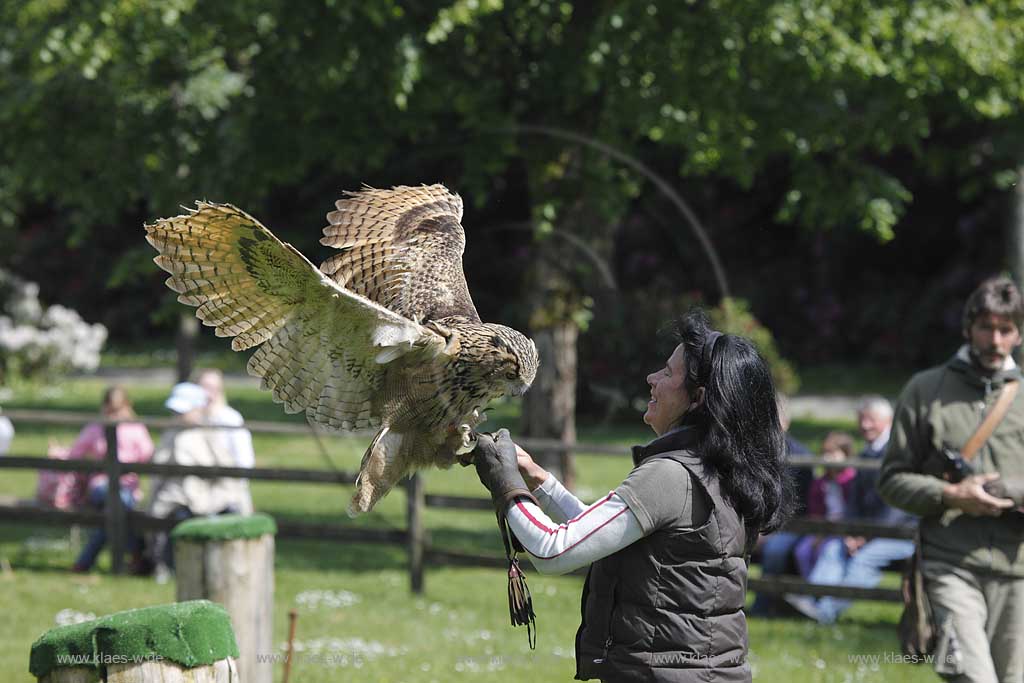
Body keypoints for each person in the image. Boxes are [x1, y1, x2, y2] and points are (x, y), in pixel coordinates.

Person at [474, 310, 794, 682]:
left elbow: (553, 551)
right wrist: (539, 481)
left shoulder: (670, 474)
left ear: (697, 398)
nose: (651, 379)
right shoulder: (720, 468)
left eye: (668, 373)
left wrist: (505, 482)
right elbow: (615, 539)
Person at [879, 275, 1024, 682]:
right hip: (950, 564)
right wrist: (950, 494)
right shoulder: (926, 390)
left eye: (1005, 330)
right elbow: (891, 480)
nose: (995, 340)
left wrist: (1010, 493)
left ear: (1018, 335)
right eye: (986, 328)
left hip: (1018, 569)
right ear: (968, 328)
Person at [788, 397, 917, 624]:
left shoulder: (900, 453)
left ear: (888, 421)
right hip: (865, 533)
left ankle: (824, 612)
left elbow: (895, 506)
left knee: (863, 560)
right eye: (861, 420)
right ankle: (811, 601)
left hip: (900, 534)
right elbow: (853, 503)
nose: (865, 425)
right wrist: (849, 531)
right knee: (832, 550)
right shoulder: (866, 454)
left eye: (871, 420)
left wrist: (865, 536)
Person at [147, 382, 252, 581]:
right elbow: (159, 470)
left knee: (227, 514)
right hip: (178, 497)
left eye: (184, 410)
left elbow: (223, 467)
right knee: (168, 519)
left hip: (209, 495)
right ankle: (166, 565)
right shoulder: (172, 434)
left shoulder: (208, 433)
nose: (179, 415)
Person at [56, 386, 154, 572]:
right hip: (100, 486)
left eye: (117, 410)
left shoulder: (136, 428)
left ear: (127, 407)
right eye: (110, 410)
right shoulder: (95, 428)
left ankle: (83, 563)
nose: (113, 416)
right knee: (116, 500)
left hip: (128, 488)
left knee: (111, 514)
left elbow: (148, 456)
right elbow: (75, 453)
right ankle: (137, 552)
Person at [749, 394, 814, 617]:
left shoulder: (801, 456)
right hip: (755, 525)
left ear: (785, 421)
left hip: (791, 526)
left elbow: (799, 504)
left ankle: (762, 607)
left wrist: (768, 531)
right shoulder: (749, 449)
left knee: (775, 550)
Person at [791, 431, 857, 579]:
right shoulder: (820, 483)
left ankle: (817, 594)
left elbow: (854, 509)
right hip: (824, 528)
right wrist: (819, 532)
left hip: (844, 529)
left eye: (833, 453)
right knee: (803, 551)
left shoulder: (851, 480)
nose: (827, 458)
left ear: (846, 455)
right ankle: (810, 586)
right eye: (825, 453)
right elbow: (816, 510)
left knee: (827, 551)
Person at [198, 368, 254, 514]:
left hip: (229, 493)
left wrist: (233, 491)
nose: (209, 393)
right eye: (204, 387)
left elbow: (244, 460)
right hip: (200, 494)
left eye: (214, 388)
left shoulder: (231, 418)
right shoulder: (194, 419)